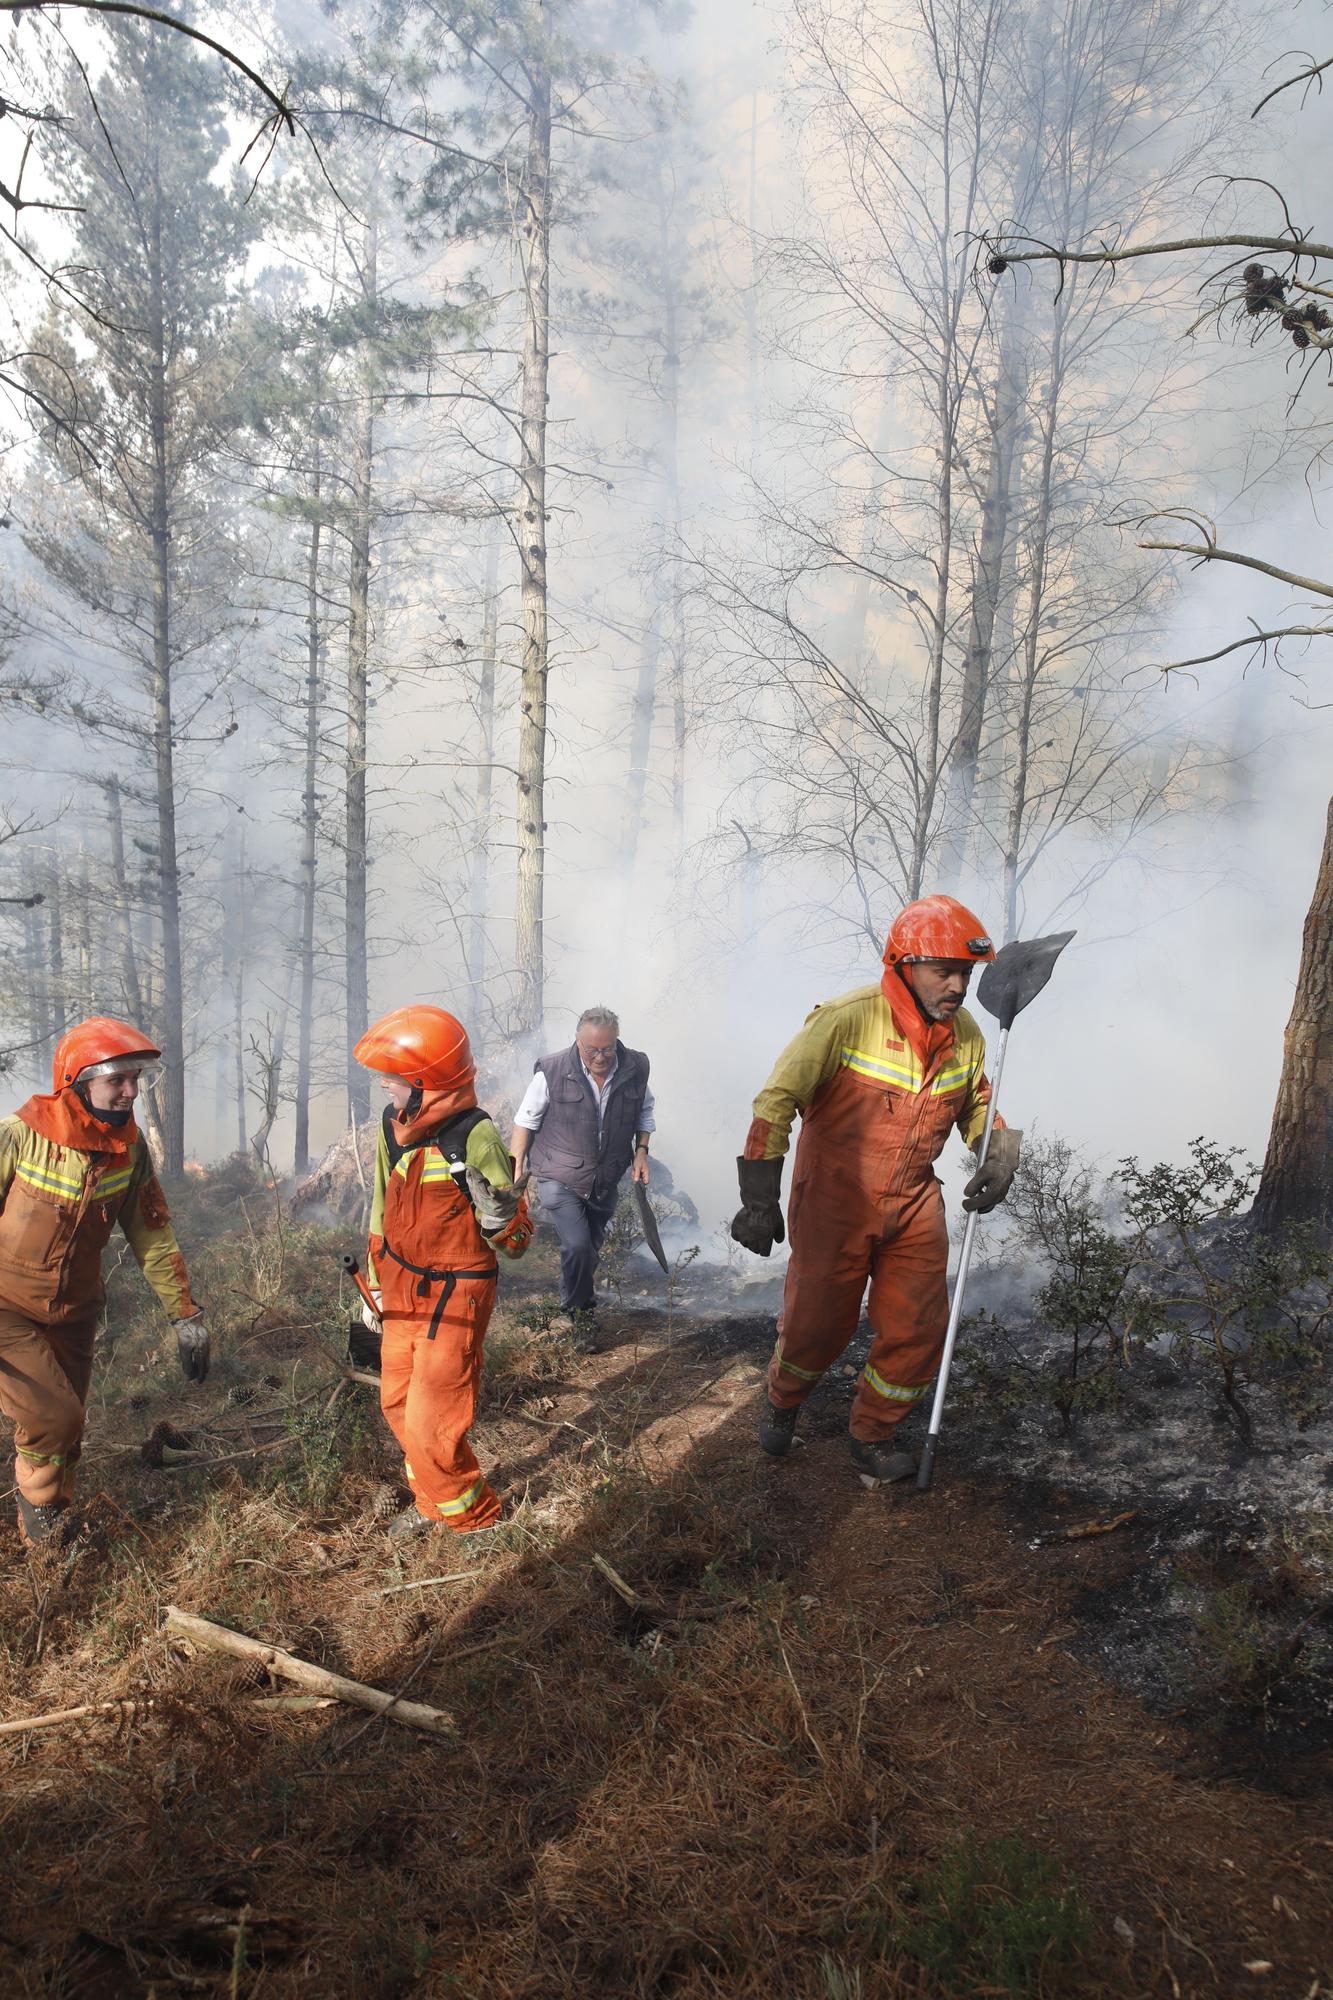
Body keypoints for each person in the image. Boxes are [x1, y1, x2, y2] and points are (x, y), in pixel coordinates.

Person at [730, 896, 1021, 1484]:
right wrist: (759, 1198)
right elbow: (775, 1102)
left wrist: (998, 1149)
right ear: (904, 965)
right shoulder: (846, 1019)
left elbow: (976, 1101)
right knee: (818, 1324)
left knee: (918, 1326)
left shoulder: (965, 1035)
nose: (959, 986)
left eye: (966, 973)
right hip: (834, 1200)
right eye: (946, 971)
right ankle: (784, 1400)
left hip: (914, 1200)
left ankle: (873, 1433)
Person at [0, 1017, 209, 1545]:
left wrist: (185, 1315)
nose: (131, 1090)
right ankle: (43, 1528)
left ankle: (53, 1523)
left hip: (75, 1310)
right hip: (8, 1305)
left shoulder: (131, 1150)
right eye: (117, 1078)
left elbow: (152, 1236)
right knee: (54, 1417)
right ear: (78, 1079)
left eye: (136, 1078)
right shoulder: (22, 1135)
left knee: (69, 1428)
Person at [355, 1005, 532, 1542]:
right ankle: (433, 1503)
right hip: (402, 1288)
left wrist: (502, 1218)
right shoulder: (394, 1128)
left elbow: (518, 1241)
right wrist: (374, 1284)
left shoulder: (473, 1137)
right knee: (397, 1406)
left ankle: (478, 1523)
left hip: (455, 1296)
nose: (384, 1084)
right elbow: (380, 1209)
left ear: (425, 1082)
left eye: (393, 1076)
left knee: (432, 1423)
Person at [511, 1006, 654, 1343]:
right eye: (592, 1049)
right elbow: (525, 1121)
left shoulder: (635, 1067)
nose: (600, 1056)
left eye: (606, 1048)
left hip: (606, 1178)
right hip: (558, 1174)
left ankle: (573, 1303)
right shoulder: (552, 1069)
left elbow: (644, 1112)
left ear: (616, 1040)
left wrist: (641, 1151)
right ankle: (581, 1319)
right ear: (578, 1042)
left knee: (588, 1250)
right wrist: (516, 1171)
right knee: (576, 1246)